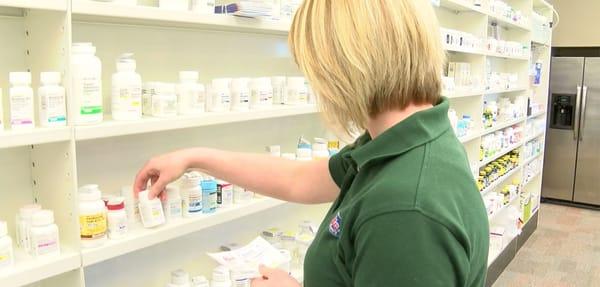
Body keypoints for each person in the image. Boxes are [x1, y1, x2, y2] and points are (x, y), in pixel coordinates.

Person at [133, 0, 489, 286]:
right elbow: (299, 178)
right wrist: (194, 157)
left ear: (346, 68)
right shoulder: (406, 140)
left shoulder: (405, 209)